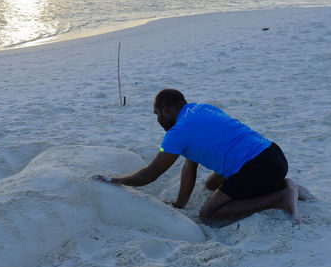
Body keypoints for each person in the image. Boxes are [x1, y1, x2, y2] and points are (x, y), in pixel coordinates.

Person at [94, 88, 310, 227]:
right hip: (274, 154)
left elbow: (150, 174)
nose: (158, 119)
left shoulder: (176, 134)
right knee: (211, 183)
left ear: (166, 110)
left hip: (257, 167)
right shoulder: (201, 108)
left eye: (157, 114)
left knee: (209, 215)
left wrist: (116, 180)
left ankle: (279, 198)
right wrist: (180, 203)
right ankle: (283, 183)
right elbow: (191, 164)